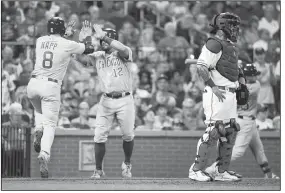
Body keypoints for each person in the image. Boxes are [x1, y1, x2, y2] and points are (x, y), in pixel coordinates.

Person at [26, 17, 95, 178]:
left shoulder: (40, 40)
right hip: (51, 86)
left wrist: (66, 33)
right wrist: (86, 36)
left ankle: (37, 129)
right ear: (61, 30)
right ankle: (44, 154)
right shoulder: (68, 44)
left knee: (39, 110)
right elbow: (89, 49)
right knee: (50, 124)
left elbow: (55, 43)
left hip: (33, 84)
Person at [188, 12, 246, 182]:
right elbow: (201, 67)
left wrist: (242, 84)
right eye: (232, 25)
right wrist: (213, 87)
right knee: (214, 130)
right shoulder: (213, 43)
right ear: (223, 26)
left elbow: (236, 69)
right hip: (217, 93)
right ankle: (196, 170)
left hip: (230, 94)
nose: (236, 29)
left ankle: (220, 171)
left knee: (230, 130)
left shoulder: (231, 46)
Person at [77, 21, 135, 179]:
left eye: (103, 40)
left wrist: (105, 37)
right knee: (99, 135)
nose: (101, 42)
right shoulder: (98, 56)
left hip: (125, 99)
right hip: (106, 100)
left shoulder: (123, 52)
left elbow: (122, 49)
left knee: (128, 135)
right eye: (100, 40)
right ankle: (98, 170)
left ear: (111, 39)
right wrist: (83, 41)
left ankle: (127, 164)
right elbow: (80, 58)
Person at [229, 63, 279, 179]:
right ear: (247, 76)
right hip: (244, 121)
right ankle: (214, 168)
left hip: (250, 121)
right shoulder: (241, 85)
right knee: (238, 151)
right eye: (253, 75)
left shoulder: (255, 85)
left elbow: (241, 93)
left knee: (259, 149)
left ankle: (268, 174)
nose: (256, 77)